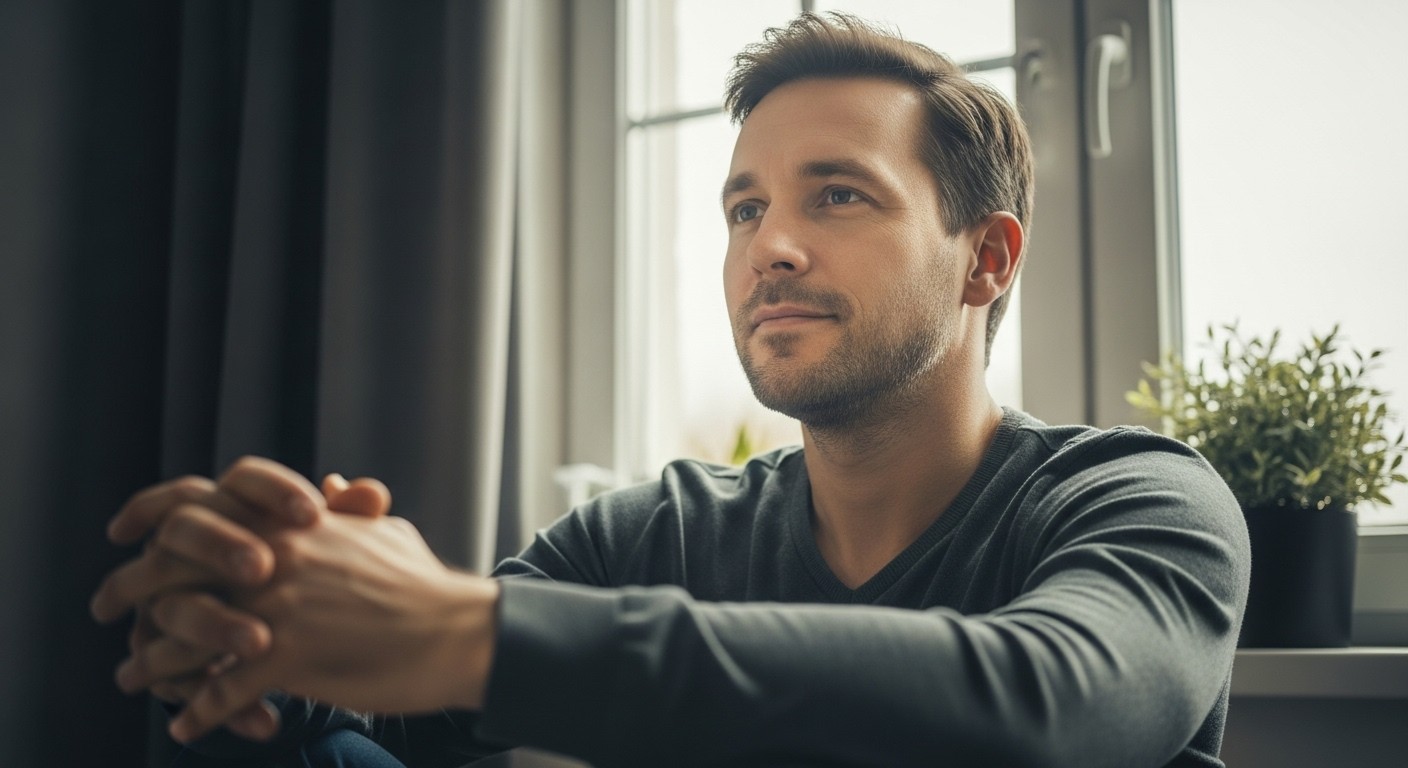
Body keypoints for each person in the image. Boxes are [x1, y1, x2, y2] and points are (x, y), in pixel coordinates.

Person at [91, 13, 1250, 768]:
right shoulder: (654, 533)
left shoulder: (1141, 504)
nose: (771, 246)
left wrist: (467, 629)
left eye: (836, 195)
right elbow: (403, 723)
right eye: (745, 208)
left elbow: (1047, 712)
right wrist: (269, 619)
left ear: (986, 259)